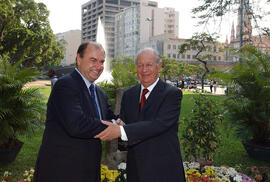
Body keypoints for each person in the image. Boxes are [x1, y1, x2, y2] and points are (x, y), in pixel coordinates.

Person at [95, 48, 186, 182]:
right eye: (140, 65)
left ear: (159, 66)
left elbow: (158, 124)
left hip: (164, 171)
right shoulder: (129, 95)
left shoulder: (172, 94)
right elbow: (125, 127)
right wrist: (118, 124)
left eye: (149, 65)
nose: (144, 70)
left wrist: (122, 130)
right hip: (136, 171)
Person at [34, 42, 117, 182]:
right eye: (93, 60)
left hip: (89, 171)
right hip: (61, 172)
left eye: (102, 62)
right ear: (79, 59)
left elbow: (110, 117)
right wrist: (114, 125)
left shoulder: (100, 93)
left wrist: (125, 122)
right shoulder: (65, 85)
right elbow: (77, 124)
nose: (99, 66)